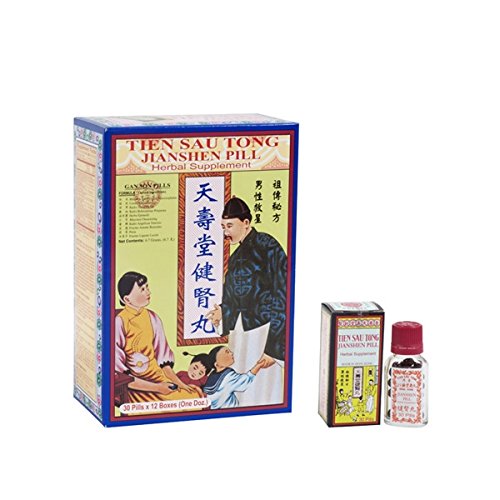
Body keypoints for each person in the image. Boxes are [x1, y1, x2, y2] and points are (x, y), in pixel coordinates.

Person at [206, 197, 287, 406]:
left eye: (230, 225)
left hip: (264, 331)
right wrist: (222, 313)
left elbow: (283, 293)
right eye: (223, 227)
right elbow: (234, 297)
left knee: (263, 389)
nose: (226, 232)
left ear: (246, 223)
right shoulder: (235, 257)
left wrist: (274, 349)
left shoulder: (267, 245)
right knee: (240, 386)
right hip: (240, 333)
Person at [115, 271, 198, 405]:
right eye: (142, 289)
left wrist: (180, 383)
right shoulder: (119, 322)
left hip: (158, 376)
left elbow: (163, 359)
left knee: (194, 394)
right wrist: (157, 388)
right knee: (187, 402)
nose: (148, 292)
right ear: (127, 300)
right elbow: (119, 372)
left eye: (147, 287)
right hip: (136, 384)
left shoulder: (153, 317)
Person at [202, 346, 267, 409]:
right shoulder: (228, 376)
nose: (231, 353)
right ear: (217, 364)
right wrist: (258, 366)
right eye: (227, 352)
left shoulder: (212, 375)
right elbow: (245, 381)